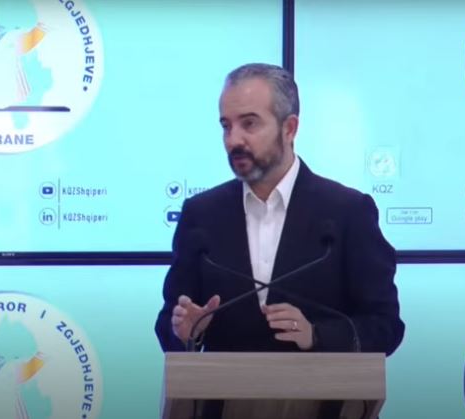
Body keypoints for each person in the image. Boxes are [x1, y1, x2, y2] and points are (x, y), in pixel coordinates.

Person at [154, 63, 404, 355]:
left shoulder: (347, 212)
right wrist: (187, 332)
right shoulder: (201, 215)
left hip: (318, 385)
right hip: (224, 385)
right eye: (226, 126)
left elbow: (385, 326)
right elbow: (170, 322)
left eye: (249, 124)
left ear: (289, 128)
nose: (233, 140)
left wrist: (316, 336)